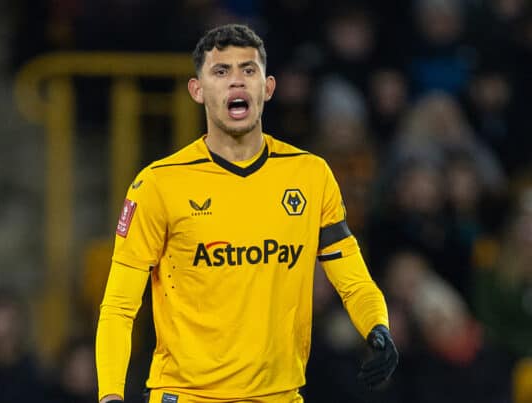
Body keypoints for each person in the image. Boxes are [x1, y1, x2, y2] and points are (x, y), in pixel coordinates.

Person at [95, 24, 398, 403]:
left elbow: (353, 279)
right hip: (188, 396)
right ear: (197, 90)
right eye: (221, 72)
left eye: (248, 70)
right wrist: (109, 395)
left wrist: (377, 327)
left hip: (280, 395)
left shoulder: (310, 175)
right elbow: (120, 306)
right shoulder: (160, 184)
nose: (236, 82)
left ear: (267, 88)